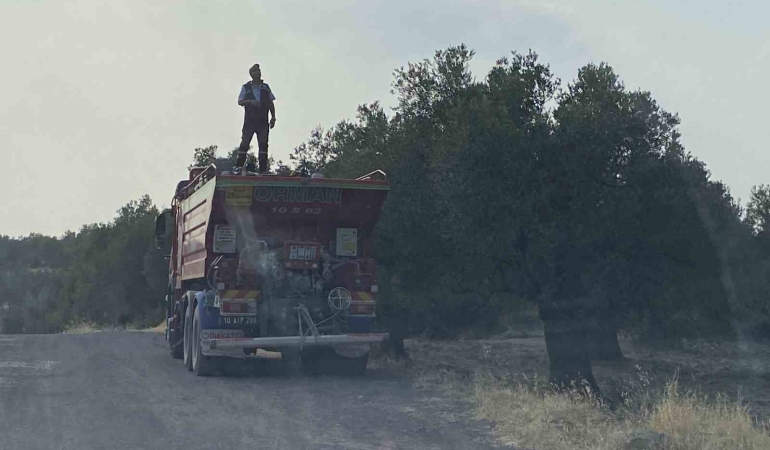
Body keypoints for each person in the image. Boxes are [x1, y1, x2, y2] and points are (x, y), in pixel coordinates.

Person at [237, 63, 276, 173]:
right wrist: (250, 102)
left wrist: (273, 117)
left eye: (259, 70)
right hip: (249, 121)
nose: (258, 72)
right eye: (255, 71)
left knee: (263, 145)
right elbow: (240, 101)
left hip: (263, 121)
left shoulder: (266, 87)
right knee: (245, 143)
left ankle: (263, 169)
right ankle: (239, 166)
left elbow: (270, 103)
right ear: (251, 74)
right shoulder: (246, 87)